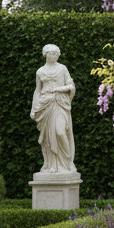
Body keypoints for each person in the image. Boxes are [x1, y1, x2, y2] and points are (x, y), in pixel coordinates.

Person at [30, 44, 76, 175]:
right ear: (46, 54)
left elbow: (70, 86)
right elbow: (38, 90)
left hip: (60, 103)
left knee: (60, 132)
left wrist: (58, 89)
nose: (54, 55)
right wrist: (34, 109)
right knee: (48, 138)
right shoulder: (40, 71)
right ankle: (51, 164)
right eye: (52, 53)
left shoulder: (62, 69)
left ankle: (68, 162)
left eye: (56, 53)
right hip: (45, 104)